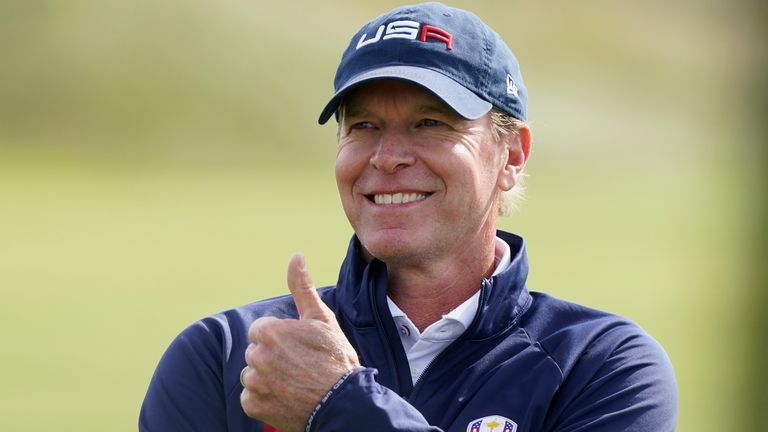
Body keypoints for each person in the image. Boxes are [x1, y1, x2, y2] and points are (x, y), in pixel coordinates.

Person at [140, 3, 677, 431]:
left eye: (429, 123)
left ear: (511, 156)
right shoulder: (228, 354)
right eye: (364, 126)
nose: (387, 156)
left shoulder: (600, 365)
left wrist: (340, 405)